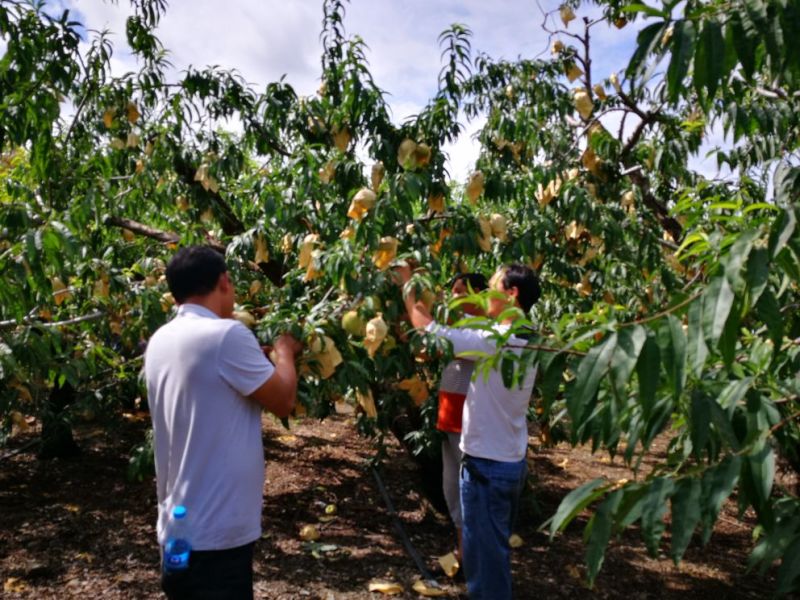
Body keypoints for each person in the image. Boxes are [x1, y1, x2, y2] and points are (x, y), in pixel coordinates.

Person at [144, 245, 302, 599]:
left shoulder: (160, 340)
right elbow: (284, 401)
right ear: (224, 282)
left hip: (178, 528)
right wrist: (285, 352)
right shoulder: (227, 335)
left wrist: (261, 365)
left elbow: (211, 389)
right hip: (216, 536)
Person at [398, 263, 540, 600]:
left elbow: (429, 331)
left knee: (485, 565)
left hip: (487, 467)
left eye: (492, 285)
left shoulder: (497, 340)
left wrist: (407, 284)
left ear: (511, 293)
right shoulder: (526, 336)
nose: (485, 293)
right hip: (506, 461)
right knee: (490, 557)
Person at [436, 273, 487, 564]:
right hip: (450, 415)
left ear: (476, 293)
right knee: (452, 488)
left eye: (457, 292)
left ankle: (472, 553)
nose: (452, 297)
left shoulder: (481, 330)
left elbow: (449, 343)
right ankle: (463, 550)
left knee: (467, 489)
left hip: (467, 419)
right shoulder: (459, 326)